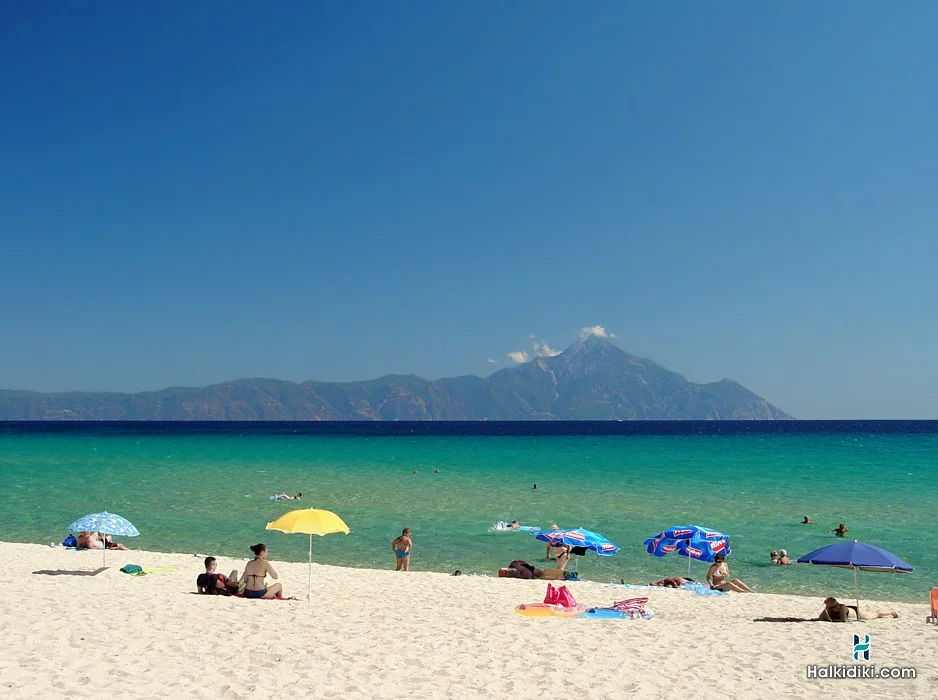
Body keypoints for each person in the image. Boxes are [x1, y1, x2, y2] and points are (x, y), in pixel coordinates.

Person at [818, 597, 898, 622]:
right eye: (827, 606)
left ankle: (891, 612)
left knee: (876, 614)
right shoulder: (829, 608)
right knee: (863, 610)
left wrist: (830, 619)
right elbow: (821, 617)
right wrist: (826, 609)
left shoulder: (841, 607)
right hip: (851, 609)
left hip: (857, 613)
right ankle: (865, 608)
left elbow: (843, 620)